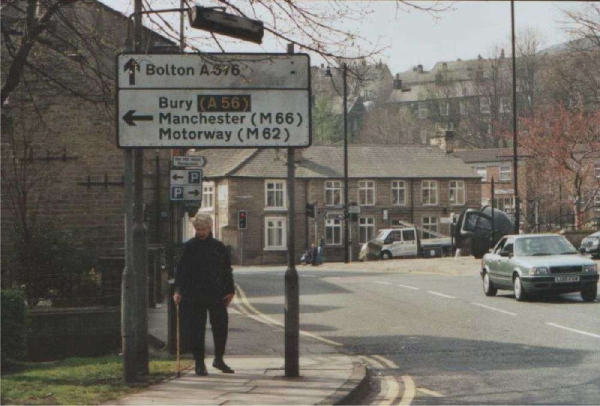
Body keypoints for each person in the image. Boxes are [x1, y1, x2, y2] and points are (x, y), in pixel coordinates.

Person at [173, 213, 235, 376]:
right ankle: (199, 363)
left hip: (217, 293)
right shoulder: (189, 247)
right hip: (194, 294)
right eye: (198, 229)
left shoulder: (219, 247)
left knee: (221, 327)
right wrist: (178, 290)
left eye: (204, 229)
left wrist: (230, 290)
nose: (201, 232)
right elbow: (181, 271)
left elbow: (227, 270)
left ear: (210, 228)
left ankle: (219, 359)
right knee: (197, 329)